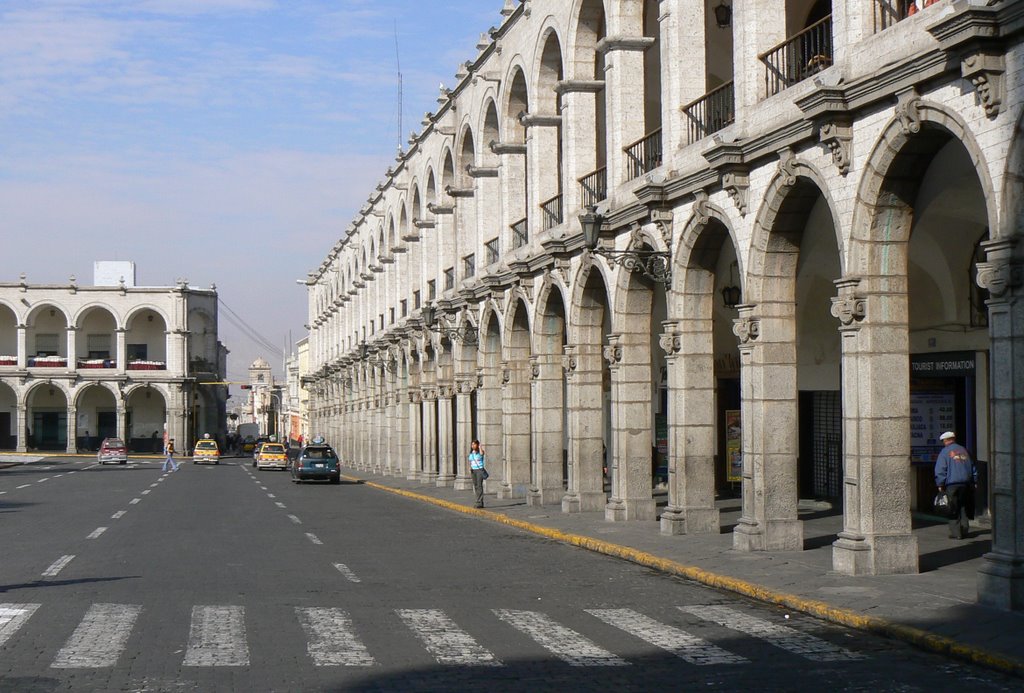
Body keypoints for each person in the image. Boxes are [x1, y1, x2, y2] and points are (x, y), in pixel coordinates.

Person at [934, 431, 976, 539]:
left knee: (952, 507)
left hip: (952, 484)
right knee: (963, 506)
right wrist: (974, 481)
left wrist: (940, 483)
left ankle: (956, 533)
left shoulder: (944, 452)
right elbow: (973, 467)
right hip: (965, 483)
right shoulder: (964, 450)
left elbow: (940, 469)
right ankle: (964, 530)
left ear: (946, 440)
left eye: (943, 441)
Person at [468, 440, 487, 508]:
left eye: (474, 444)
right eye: (472, 444)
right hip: (473, 470)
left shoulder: (479, 453)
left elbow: (482, 454)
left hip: (479, 470)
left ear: (477, 445)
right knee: (475, 486)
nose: (473, 446)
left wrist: (480, 447)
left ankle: (480, 502)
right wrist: (470, 468)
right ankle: (477, 500)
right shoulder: (471, 453)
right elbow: (470, 461)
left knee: (479, 485)